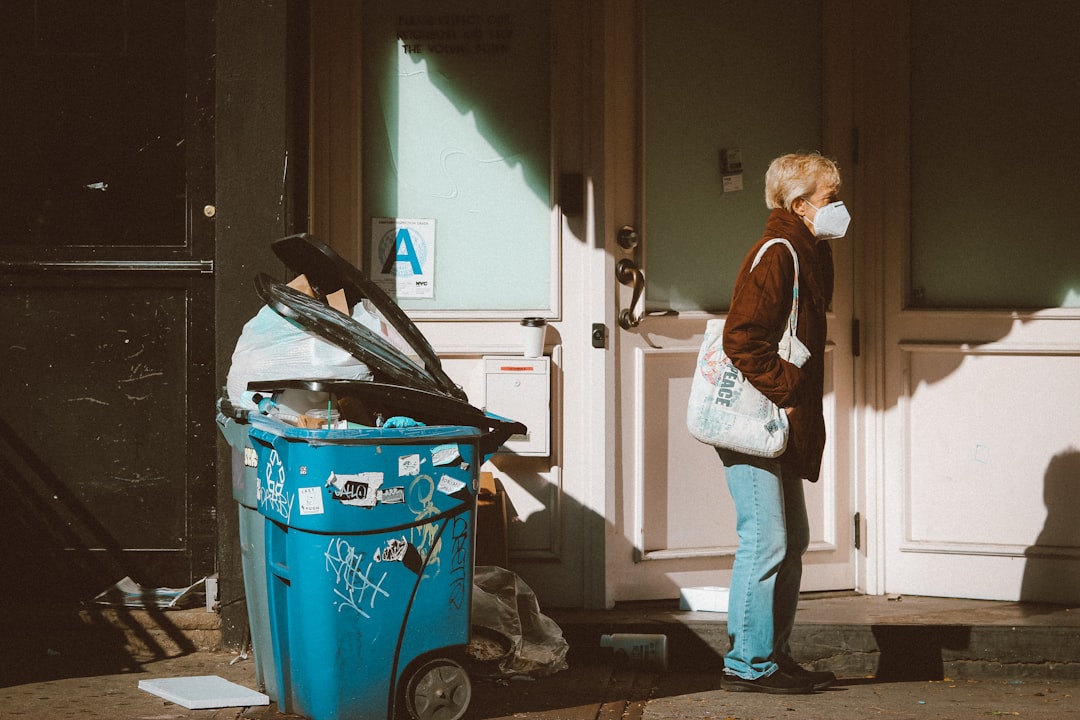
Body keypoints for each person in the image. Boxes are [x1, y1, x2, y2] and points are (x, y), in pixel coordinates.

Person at [717, 152, 849, 694]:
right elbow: (742, 338)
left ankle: (772, 653)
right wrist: (791, 394)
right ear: (799, 205)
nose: (840, 208)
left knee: (791, 537)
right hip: (758, 417)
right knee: (766, 539)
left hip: (779, 417)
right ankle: (747, 663)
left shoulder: (807, 250)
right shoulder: (778, 254)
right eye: (830, 198)